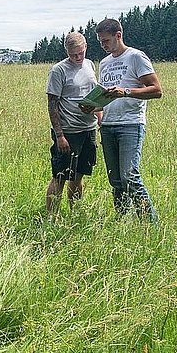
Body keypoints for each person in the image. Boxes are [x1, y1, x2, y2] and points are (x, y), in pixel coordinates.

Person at [87, 18, 162, 221]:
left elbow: (156, 90)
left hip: (131, 123)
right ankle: (121, 221)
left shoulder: (136, 57)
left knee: (130, 177)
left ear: (118, 35)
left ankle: (149, 223)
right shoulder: (104, 63)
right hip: (108, 125)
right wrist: (94, 108)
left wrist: (126, 92)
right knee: (116, 180)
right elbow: (105, 95)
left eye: (106, 41)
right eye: (100, 42)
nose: (103, 46)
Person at [45, 32, 101, 215]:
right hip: (68, 132)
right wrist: (60, 135)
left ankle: (75, 213)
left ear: (86, 47)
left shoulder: (90, 64)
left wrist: (101, 118)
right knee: (60, 175)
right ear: (66, 52)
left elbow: (95, 95)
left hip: (89, 129)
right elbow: (52, 103)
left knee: (78, 175)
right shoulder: (58, 70)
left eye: (80, 53)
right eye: (73, 55)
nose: (77, 58)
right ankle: (51, 216)